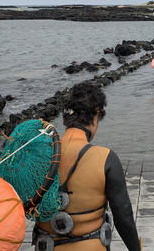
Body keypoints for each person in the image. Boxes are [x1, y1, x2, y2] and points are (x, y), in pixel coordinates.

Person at [36, 81, 141, 251]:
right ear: (95, 118)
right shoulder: (106, 158)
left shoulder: (39, 156)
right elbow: (124, 216)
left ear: (64, 118)